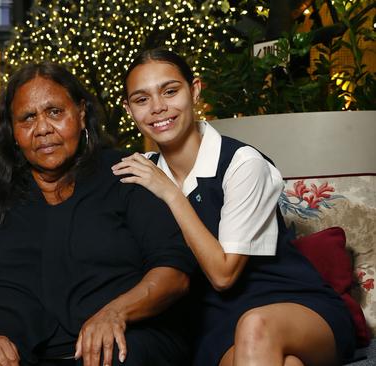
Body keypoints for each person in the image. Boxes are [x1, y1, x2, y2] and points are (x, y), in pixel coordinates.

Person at [0, 62, 199, 366]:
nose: (43, 128)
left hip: (120, 347)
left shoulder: (126, 173)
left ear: (81, 113)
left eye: (55, 112)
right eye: (28, 118)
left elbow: (174, 271)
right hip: (12, 353)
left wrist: (115, 312)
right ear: (14, 131)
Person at [111, 48, 356, 366]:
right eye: (142, 100)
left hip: (296, 307)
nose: (158, 108)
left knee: (255, 327)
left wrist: (171, 193)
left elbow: (223, 275)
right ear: (129, 110)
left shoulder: (242, 163)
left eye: (170, 91)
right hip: (214, 326)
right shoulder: (139, 172)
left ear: (195, 90)